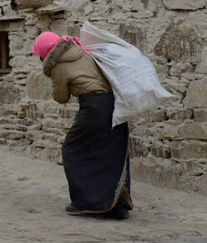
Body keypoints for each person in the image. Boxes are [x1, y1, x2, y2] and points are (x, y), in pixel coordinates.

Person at [32, 31, 132, 220]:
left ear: (45, 52)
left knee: (72, 149)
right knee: (112, 151)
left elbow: (61, 98)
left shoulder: (57, 65)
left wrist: (55, 81)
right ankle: (117, 204)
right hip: (115, 103)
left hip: (94, 107)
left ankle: (86, 201)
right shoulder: (80, 49)